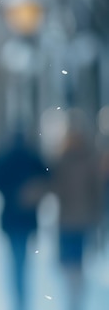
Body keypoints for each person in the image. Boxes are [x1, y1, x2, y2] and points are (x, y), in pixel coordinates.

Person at [50, 109, 104, 310]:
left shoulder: (86, 159)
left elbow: (96, 191)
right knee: (69, 264)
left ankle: (75, 301)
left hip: (77, 220)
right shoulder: (64, 159)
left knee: (74, 264)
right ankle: (74, 300)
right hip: (70, 219)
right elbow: (56, 186)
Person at [0, 129, 49, 310]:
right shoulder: (33, 158)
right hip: (28, 219)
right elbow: (47, 177)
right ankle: (21, 298)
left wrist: (11, 193)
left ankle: (18, 297)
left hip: (10, 218)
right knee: (22, 258)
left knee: (15, 258)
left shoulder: (5, 158)